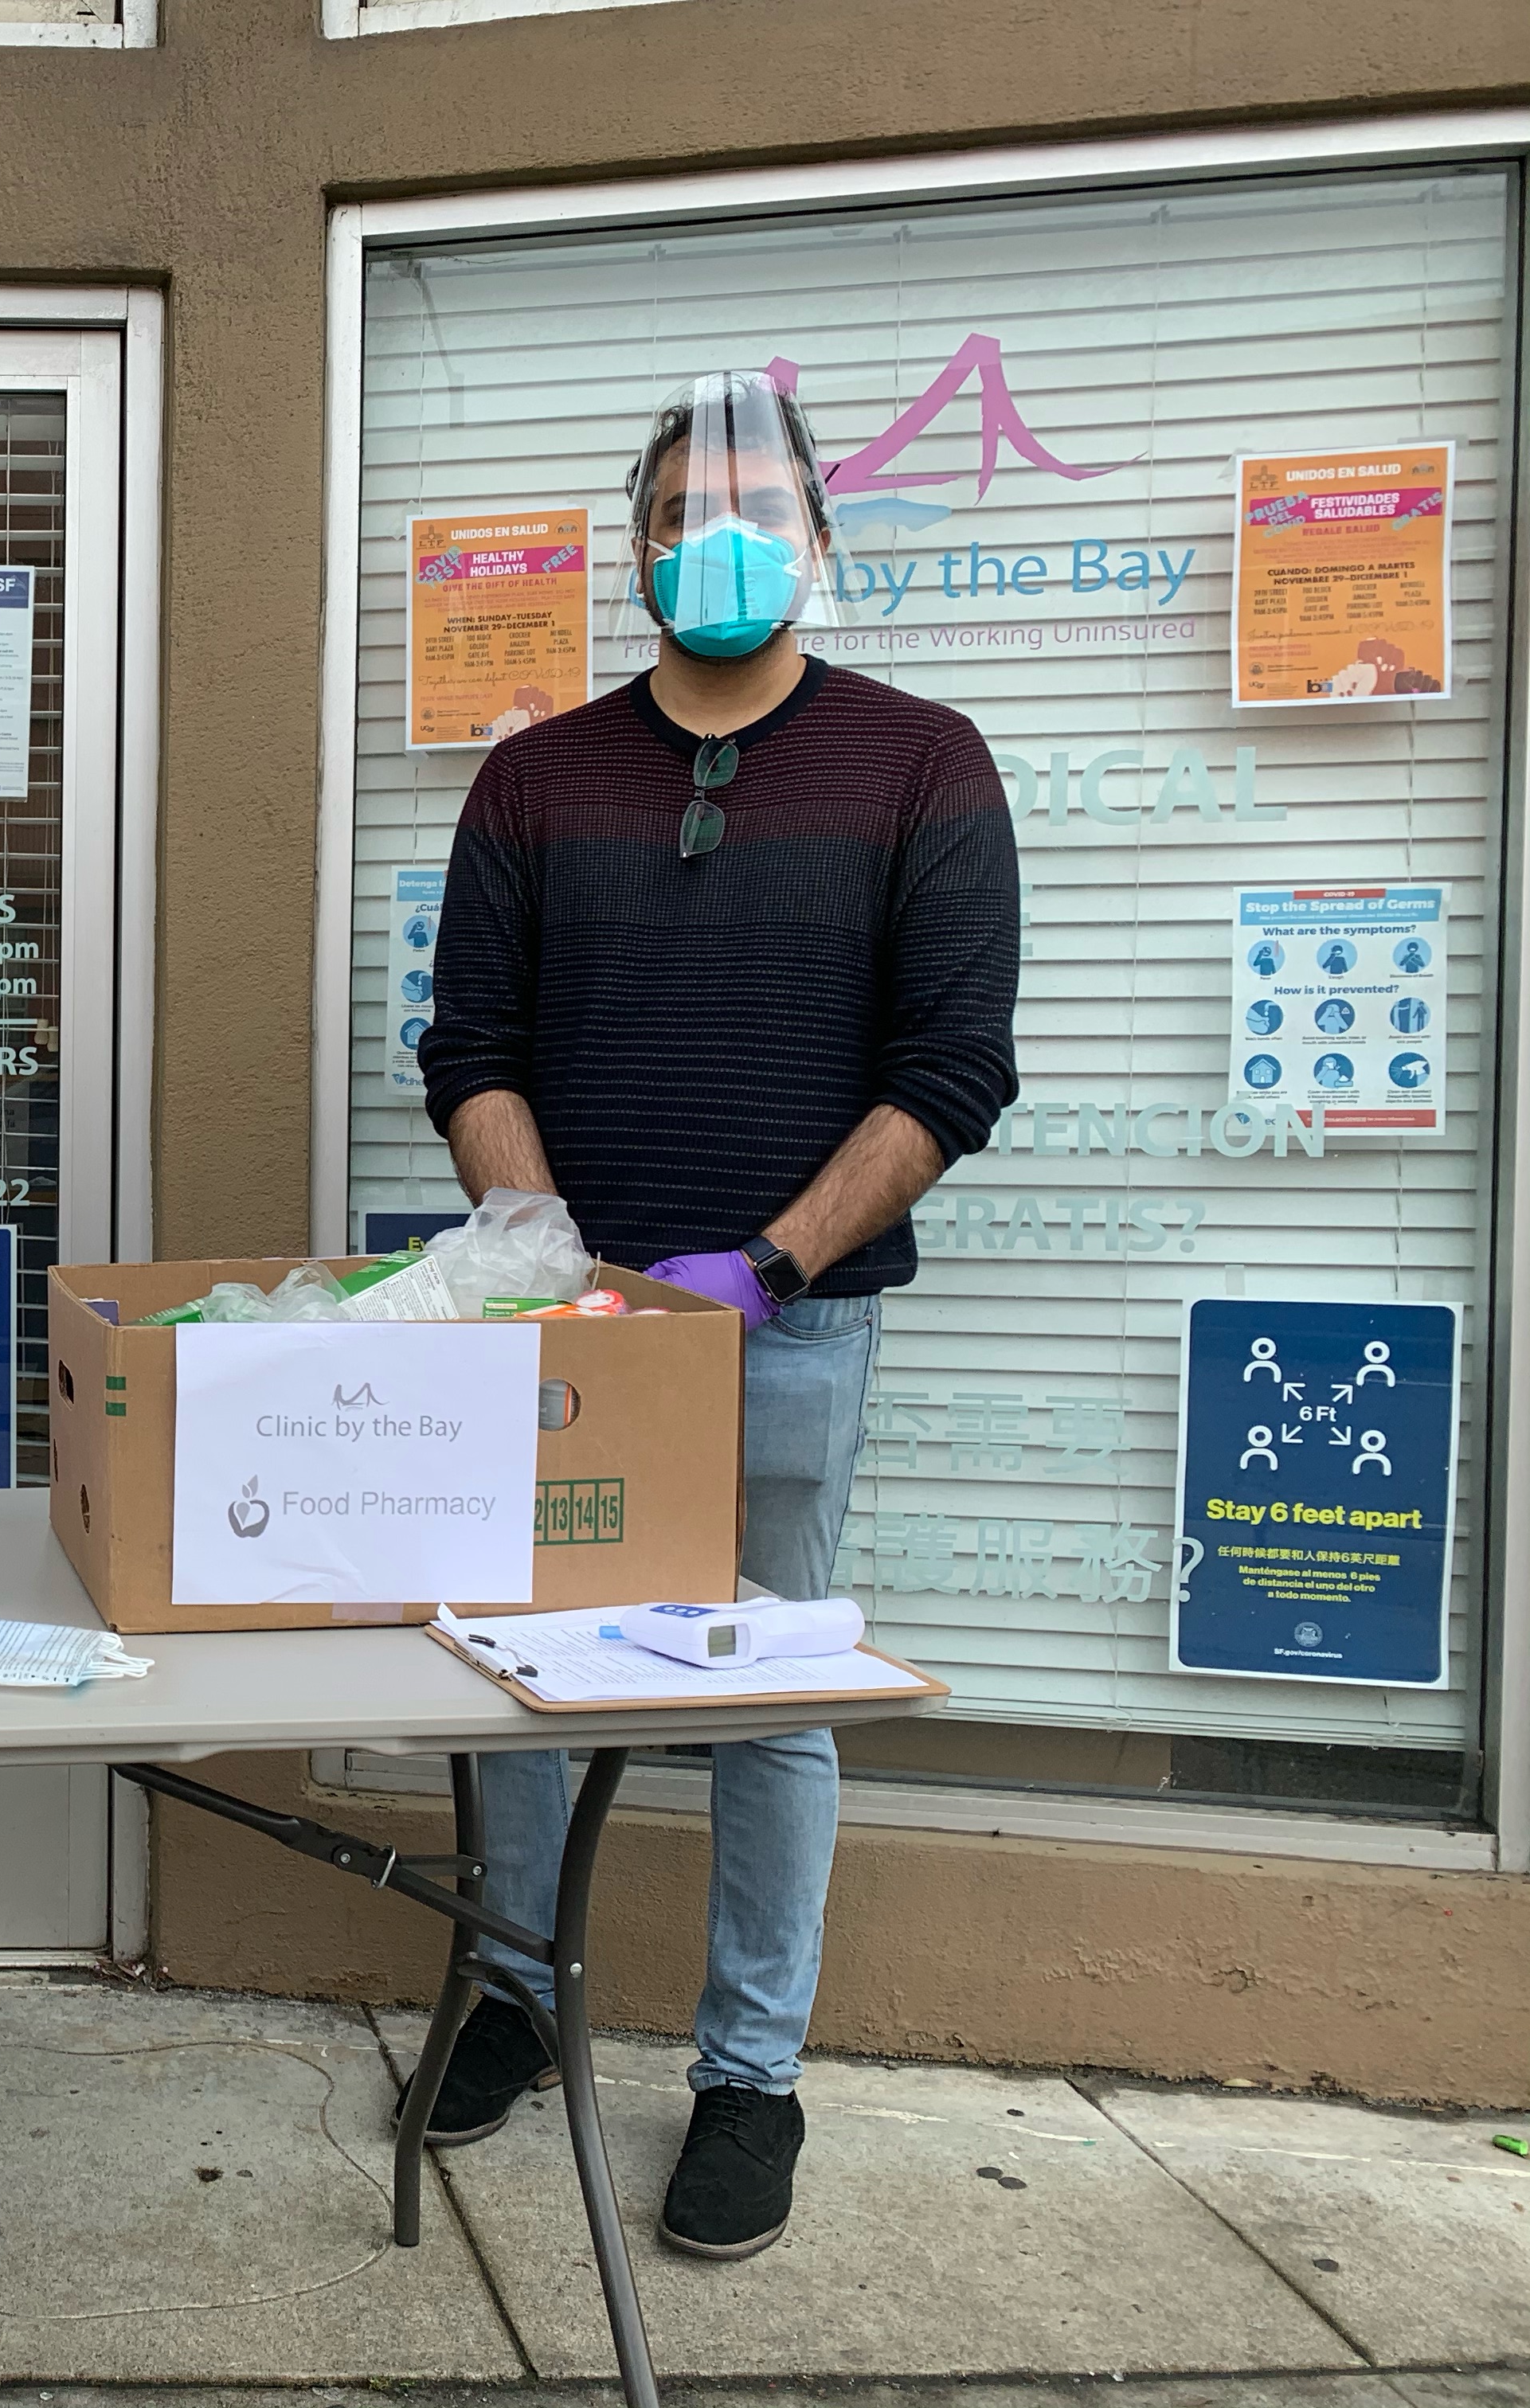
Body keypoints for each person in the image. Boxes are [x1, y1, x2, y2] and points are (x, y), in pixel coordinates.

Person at [415, 370, 1019, 2261]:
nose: (720, 543)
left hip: (794, 1331)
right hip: (568, 1333)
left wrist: (766, 1267)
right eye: (684, 515)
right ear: (640, 552)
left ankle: (751, 2078)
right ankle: (513, 1990)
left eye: (757, 511)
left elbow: (955, 1070)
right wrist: (552, 1265)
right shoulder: (535, 780)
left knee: (769, 1696)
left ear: (820, 541)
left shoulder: (923, 763)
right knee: (520, 1668)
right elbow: (470, 1048)